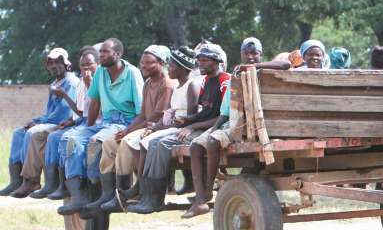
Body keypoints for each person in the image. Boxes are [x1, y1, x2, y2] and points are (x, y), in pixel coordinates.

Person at [183, 37, 291, 219]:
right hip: (232, 123)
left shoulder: (266, 72)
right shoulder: (236, 76)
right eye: (246, 54)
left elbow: (286, 64)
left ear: (260, 55)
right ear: (241, 54)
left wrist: (255, 67)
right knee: (195, 145)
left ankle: (209, 190)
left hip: (250, 128)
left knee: (213, 141)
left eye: (254, 53)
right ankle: (201, 199)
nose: (250, 57)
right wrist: (214, 128)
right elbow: (225, 110)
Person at [128, 43, 230, 214]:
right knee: (152, 144)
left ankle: (156, 199)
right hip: (200, 126)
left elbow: (223, 115)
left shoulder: (223, 81)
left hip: (216, 127)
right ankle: (147, 196)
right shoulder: (205, 81)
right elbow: (204, 112)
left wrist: (190, 125)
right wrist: (188, 120)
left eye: (205, 61)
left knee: (162, 144)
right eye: (199, 60)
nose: (200, 64)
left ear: (217, 61)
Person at [58, 38, 144, 215]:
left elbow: (141, 110)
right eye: (101, 52)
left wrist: (130, 130)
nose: (101, 55)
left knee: (95, 142)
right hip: (105, 122)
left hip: (125, 122)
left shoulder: (132, 73)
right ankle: (78, 196)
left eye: (105, 52)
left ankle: (99, 190)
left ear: (117, 54)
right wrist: (86, 128)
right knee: (70, 139)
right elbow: (95, 103)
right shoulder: (101, 73)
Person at [85, 45, 174, 214]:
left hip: (160, 126)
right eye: (142, 63)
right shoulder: (148, 83)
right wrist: (127, 129)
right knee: (111, 143)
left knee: (127, 142)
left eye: (148, 63)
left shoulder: (167, 84)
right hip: (147, 124)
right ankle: (113, 193)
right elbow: (142, 114)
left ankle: (131, 192)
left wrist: (129, 133)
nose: (144, 66)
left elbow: (156, 116)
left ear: (161, 63)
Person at [1, 48, 80, 197]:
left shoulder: (71, 82)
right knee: (19, 132)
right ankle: (16, 180)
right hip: (51, 121)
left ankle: (31, 180)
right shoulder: (55, 83)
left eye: (58, 62)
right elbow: (50, 113)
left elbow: (64, 113)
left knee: (33, 132)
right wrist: (36, 120)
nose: (54, 65)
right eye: (50, 62)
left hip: (65, 123)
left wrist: (39, 123)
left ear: (66, 64)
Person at [33, 46, 100, 199]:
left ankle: (71, 186)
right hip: (82, 121)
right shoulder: (83, 82)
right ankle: (57, 183)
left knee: (65, 139)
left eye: (89, 64)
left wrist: (65, 95)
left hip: (96, 122)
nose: (86, 68)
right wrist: (70, 121)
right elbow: (80, 110)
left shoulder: (97, 81)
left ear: (98, 64)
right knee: (55, 137)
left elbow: (97, 109)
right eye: (83, 65)